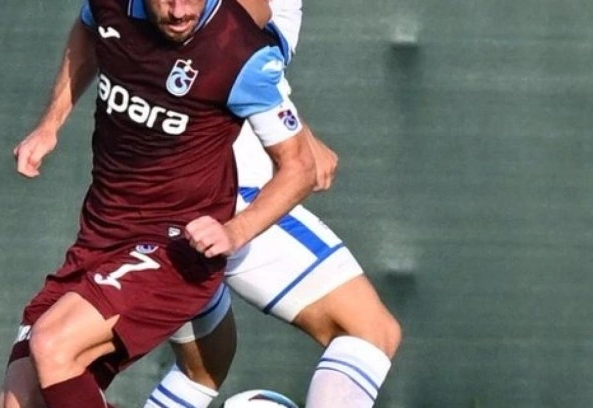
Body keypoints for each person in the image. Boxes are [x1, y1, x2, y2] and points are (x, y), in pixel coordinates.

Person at [0, 0, 318, 406]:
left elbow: (301, 167)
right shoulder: (110, 6)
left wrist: (235, 231)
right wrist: (49, 125)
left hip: (175, 247)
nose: (179, 11)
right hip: (99, 236)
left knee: (53, 344)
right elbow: (87, 30)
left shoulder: (239, 50)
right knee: (19, 399)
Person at [143, 0, 402, 407]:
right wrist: (299, 138)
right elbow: (222, 41)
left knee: (204, 368)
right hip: (227, 191)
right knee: (369, 331)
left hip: (155, 200)